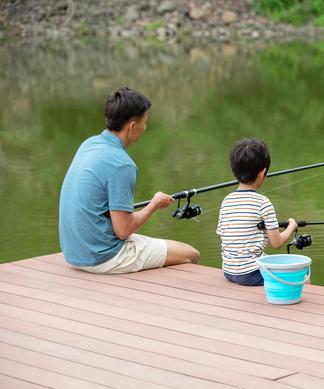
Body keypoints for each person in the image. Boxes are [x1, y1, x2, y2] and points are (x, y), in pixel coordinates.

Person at [58, 87, 199, 274]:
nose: (145, 127)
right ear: (132, 126)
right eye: (144, 122)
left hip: (72, 253)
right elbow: (123, 231)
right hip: (103, 258)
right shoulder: (122, 165)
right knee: (191, 254)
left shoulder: (89, 144)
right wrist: (154, 204)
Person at [217, 138, 297, 286]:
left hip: (228, 271)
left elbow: (225, 235)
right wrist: (291, 226)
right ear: (263, 173)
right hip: (251, 274)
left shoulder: (226, 200)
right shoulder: (263, 203)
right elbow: (276, 243)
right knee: (302, 276)